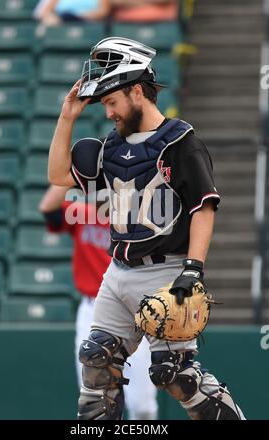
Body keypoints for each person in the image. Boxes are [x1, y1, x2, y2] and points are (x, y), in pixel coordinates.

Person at [47, 36, 246, 420]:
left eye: (112, 102)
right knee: (96, 366)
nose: (108, 113)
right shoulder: (107, 148)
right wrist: (67, 116)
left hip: (165, 272)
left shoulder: (180, 142)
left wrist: (193, 268)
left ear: (137, 90)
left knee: (176, 376)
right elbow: (57, 175)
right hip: (116, 271)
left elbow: (204, 207)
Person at [39, 185, 158, 420]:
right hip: (92, 310)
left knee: (143, 407)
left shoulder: (139, 222)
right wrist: (69, 176)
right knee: (95, 399)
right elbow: (48, 209)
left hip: (132, 311)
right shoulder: (83, 214)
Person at [34, 0, 111, 25]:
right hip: (61, 25)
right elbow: (43, 13)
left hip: (89, 25)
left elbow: (104, 11)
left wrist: (82, 15)